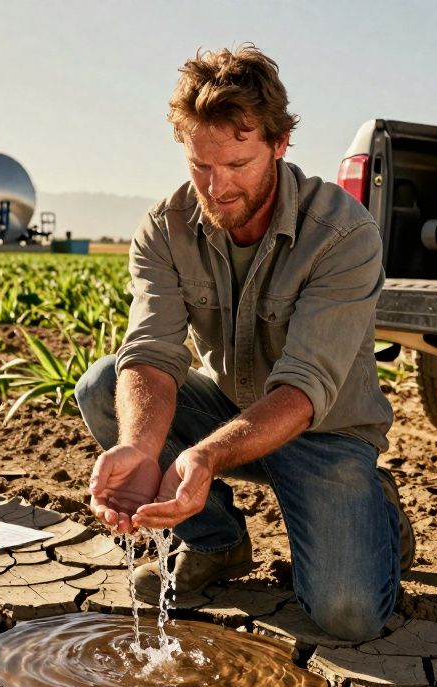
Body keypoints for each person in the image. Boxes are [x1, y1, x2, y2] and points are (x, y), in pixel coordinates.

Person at [74, 44, 414, 642]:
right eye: (200, 165)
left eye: (238, 164)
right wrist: (140, 447)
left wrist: (202, 457)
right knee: (106, 384)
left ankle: (375, 509)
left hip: (322, 433)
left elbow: (304, 389)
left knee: (347, 616)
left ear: (279, 144)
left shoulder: (343, 233)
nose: (217, 186)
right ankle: (217, 542)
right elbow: (152, 350)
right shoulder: (165, 227)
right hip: (229, 409)